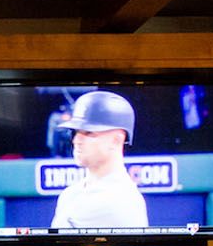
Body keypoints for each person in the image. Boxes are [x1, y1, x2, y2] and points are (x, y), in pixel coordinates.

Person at [49, 90, 149, 230]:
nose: (77, 140)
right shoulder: (71, 193)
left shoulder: (121, 200)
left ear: (116, 140)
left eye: (89, 133)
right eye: (76, 132)